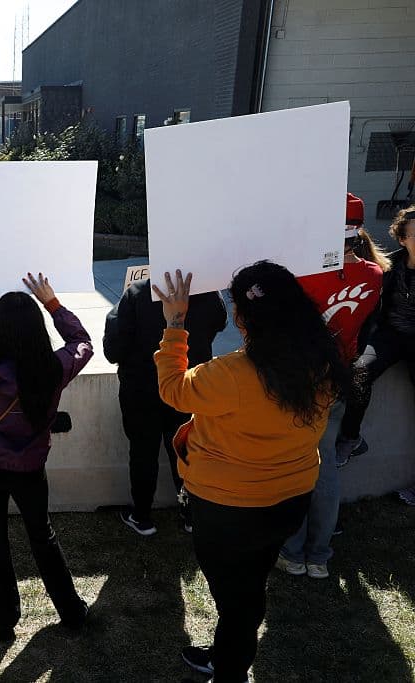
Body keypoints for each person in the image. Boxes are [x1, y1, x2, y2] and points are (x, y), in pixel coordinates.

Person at [154, 264, 347, 683]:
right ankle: (229, 649)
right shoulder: (323, 360)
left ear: (242, 317)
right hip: (290, 498)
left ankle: (230, 668)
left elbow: (172, 389)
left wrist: (175, 323)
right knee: (250, 583)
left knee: (235, 598)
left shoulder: (231, 374)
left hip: (227, 509)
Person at [0, 273, 93, 641]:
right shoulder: (53, 368)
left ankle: (3, 622)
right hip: (29, 468)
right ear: (37, 329)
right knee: (42, 535)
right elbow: (82, 342)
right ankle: (71, 611)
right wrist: (54, 305)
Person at [277, 192, 386, 579]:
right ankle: (319, 556)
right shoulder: (374, 276)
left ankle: (292, 551)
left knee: (294, 464)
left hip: (301, 380)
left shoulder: (305, 273)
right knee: (325, 468)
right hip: (339, 375)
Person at [103, 277, 226, 535]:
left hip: (141, 390)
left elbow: (113, 350)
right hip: (188, 386)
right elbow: (220, 323)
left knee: (142, 452)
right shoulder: (208, 292)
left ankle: (142, 516)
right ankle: (191, 513)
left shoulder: (137, 293)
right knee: (187, 450)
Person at [337, 205, 415, 505]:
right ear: (402, 239)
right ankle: (350, 439)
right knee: (359, 374)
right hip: (391, 336)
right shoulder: (390, 268)